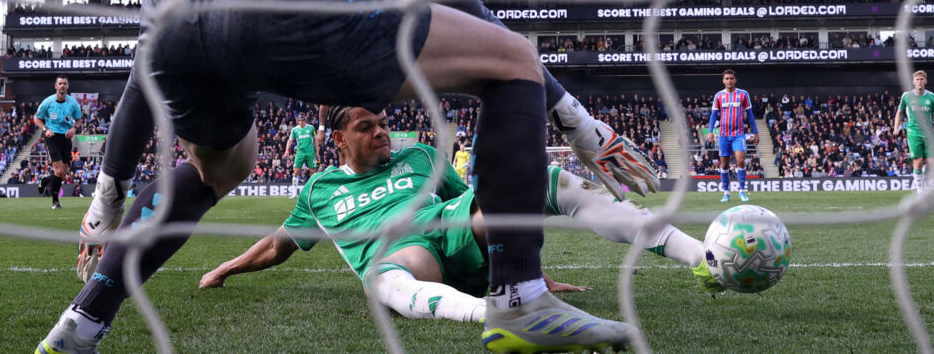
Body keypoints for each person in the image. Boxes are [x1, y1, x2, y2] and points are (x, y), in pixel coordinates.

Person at [41, 0, 652, 354]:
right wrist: (578, 123)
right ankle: (520, 300)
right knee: (511, 58)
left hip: (171, 25)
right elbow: (465, 8)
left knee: (221, 166)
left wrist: (108, 194)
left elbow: (146, 62)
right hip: (293, 1)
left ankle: (82, 321)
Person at [199, 106, 719, 324]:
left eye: (383, 122)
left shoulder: (420, 156)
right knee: (382, 275)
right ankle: (487, 315)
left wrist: (527, 269)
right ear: (338, 138)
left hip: (451, 233)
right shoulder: (319, 190)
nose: (382, 132)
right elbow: (277, 245)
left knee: (543, 178)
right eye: (366, 127)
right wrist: (226, 268)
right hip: (409, 258)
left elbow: (475, 202)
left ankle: (701, 256)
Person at [706, 69, 758, 203]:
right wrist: (710, 131)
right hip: (723, 135)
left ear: (735, 80)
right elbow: (713, 115)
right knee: (724, 164)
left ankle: (742, 191)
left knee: (740, 160)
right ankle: (726, 192)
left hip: (738, 134)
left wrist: (755, 132)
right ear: (723, 81)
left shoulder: (743, 94)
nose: (729, 80)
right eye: (727, 78)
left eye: (731, 78)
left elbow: (750, 114)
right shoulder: (718, 96)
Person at [33, 75, 83, 210]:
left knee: (63, 173)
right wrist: (45, 129)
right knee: (59, 170)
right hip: (52, 136)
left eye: (64, 84)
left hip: (66, 138)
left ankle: (45, 180)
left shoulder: (73, 103)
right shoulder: (48, 102)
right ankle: (55, 201)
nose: (62, 86)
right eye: (60, 83)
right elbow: (37, 119)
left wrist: (74, 128)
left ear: (67, 86)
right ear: (56, 86)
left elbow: (78, 120)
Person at [892, 70, 934, 194]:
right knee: (918, 161)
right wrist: (896, 127)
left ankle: (923, 179)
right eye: (917, 79)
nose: (919, 81)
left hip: (928, 133)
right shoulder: (907, 96)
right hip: (913, 131)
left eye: (921, 79)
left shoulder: (931, 96)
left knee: (931, 163)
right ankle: (920, 191)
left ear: (925, 81)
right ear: (913, 82)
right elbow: (900, 112)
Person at [284, 113, 318, 195]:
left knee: (313, 172)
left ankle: (314, 191)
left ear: (305, 120)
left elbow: (315, 139)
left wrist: (317, 151)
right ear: (298, 121)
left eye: (303, 120)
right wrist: (286, 151)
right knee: (296, 172)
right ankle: (294, 193)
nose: (301, 122)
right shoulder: (295, 130)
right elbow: (290, 140)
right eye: (300, 121)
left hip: (310, 153)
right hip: (300, 153)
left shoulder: (311, 128)